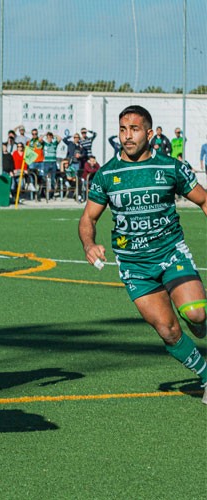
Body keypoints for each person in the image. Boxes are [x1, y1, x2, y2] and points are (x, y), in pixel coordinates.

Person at [79, 105, 207, 405]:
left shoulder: (170, 167)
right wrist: (89, 244)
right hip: (134, 265)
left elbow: (203, 199)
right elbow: (88, 219)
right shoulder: (107, 174)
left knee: (196, 314)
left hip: (171, 252)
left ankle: (199, 323)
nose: (127, 136)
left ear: (149, 133)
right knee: (167, 330)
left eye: (134, 129)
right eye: (123, 129)